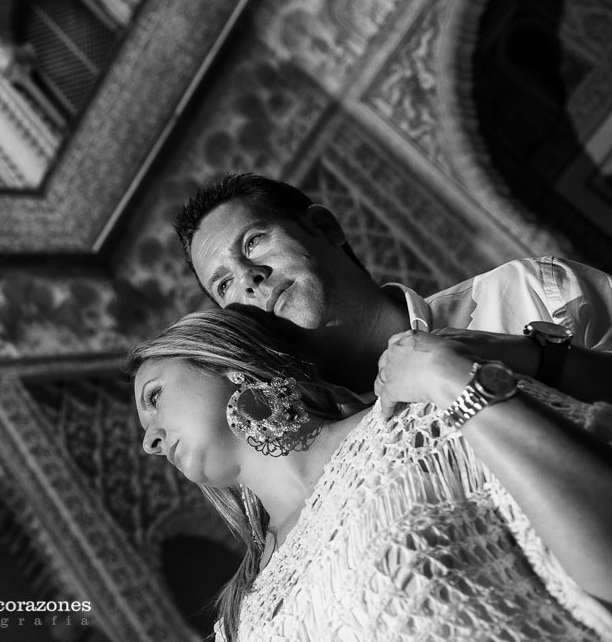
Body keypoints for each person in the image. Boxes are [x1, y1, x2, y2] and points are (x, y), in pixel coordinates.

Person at [129, 308, 612, 641]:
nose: (150, 441)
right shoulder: (242, 616)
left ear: (224, 362)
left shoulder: (417, 420)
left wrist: (453, 380)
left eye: (154, 397)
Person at [171, 172, 612, 410]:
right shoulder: (322, 452)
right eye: (224, 283)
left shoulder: (530, 291)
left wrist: (531, 358)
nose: (248, 277)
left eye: (253, 242)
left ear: (324, 228)